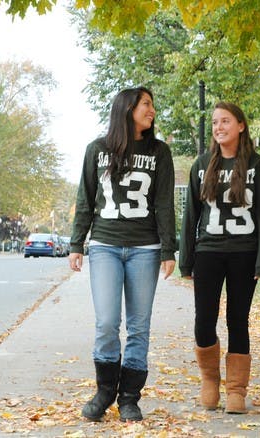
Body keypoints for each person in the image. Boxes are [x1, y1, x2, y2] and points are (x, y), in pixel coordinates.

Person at [68, 86, 176, 422]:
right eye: (146, 104)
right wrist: (76, 243)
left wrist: (168, 248)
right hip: (105, 246)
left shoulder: (160, 152)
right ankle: (104, 392)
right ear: (127, 108)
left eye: (152, 106)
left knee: (139, 327)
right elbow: (86, 198)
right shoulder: (97, 149)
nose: (152, 110)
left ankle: (129, 398)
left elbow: (163, 203)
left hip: (145, 248)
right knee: (106, 323)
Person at [179, 102, 260, 414]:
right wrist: (186, 258)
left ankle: (236, 389)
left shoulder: (257, 166)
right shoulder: (202, 163)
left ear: (241, 126)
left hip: (244, 254)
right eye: (216, 123)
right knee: (204, 319)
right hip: (208, 251)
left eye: (226, 121)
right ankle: (210, 380)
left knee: (238, 320)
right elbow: (191, 215)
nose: (219, 127)